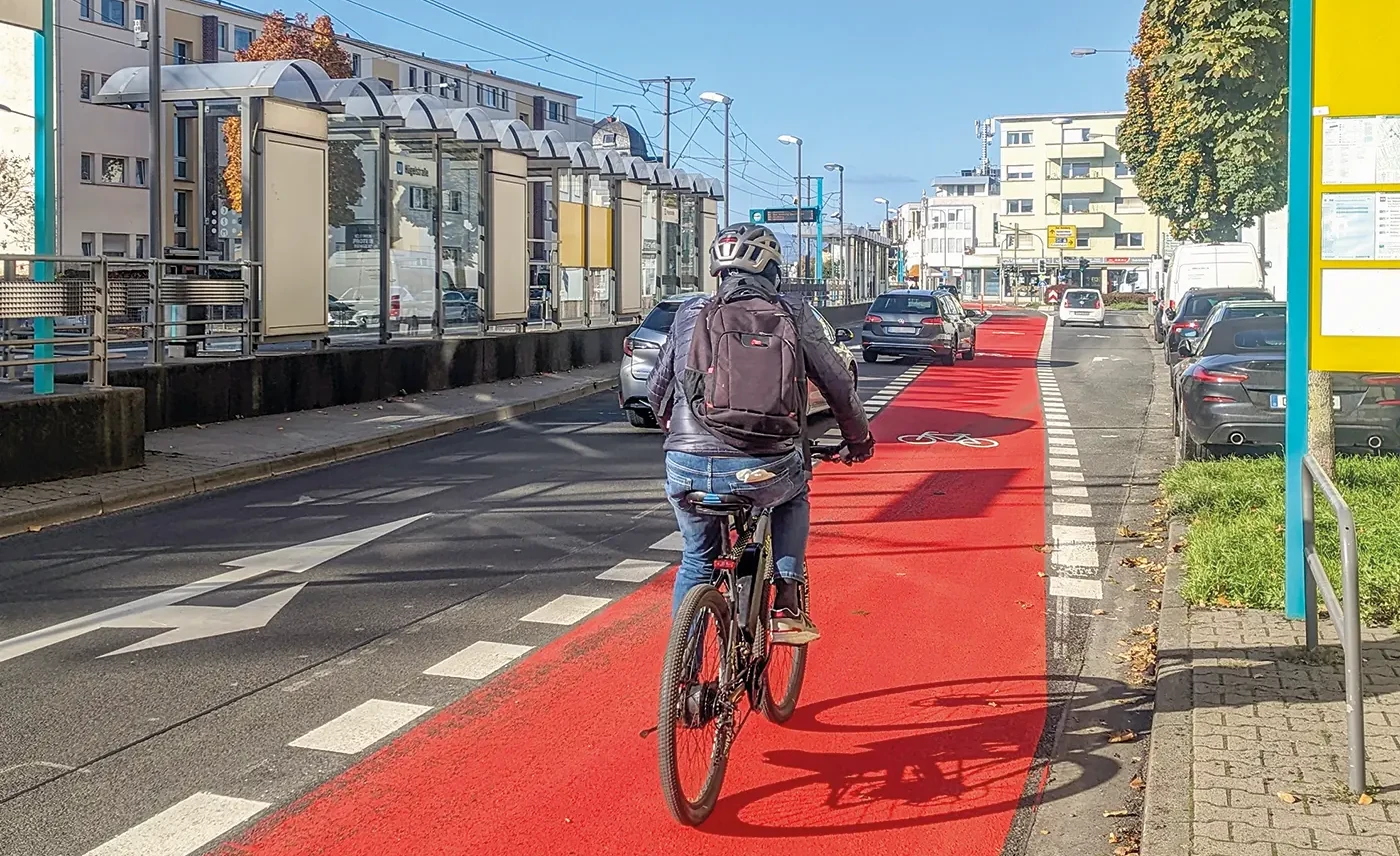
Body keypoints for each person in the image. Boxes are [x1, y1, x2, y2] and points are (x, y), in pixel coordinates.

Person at [646, 224, 875, 644]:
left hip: (686, 464)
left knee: (697, 559)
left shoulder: (689, 313)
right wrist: (859, 441)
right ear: (773, 272)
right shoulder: (792, 311)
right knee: (795, 491)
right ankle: (787, 599)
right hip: (765, 465)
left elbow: (656, 390)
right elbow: (838, 385)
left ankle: (686, 673)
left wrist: (674, 430)